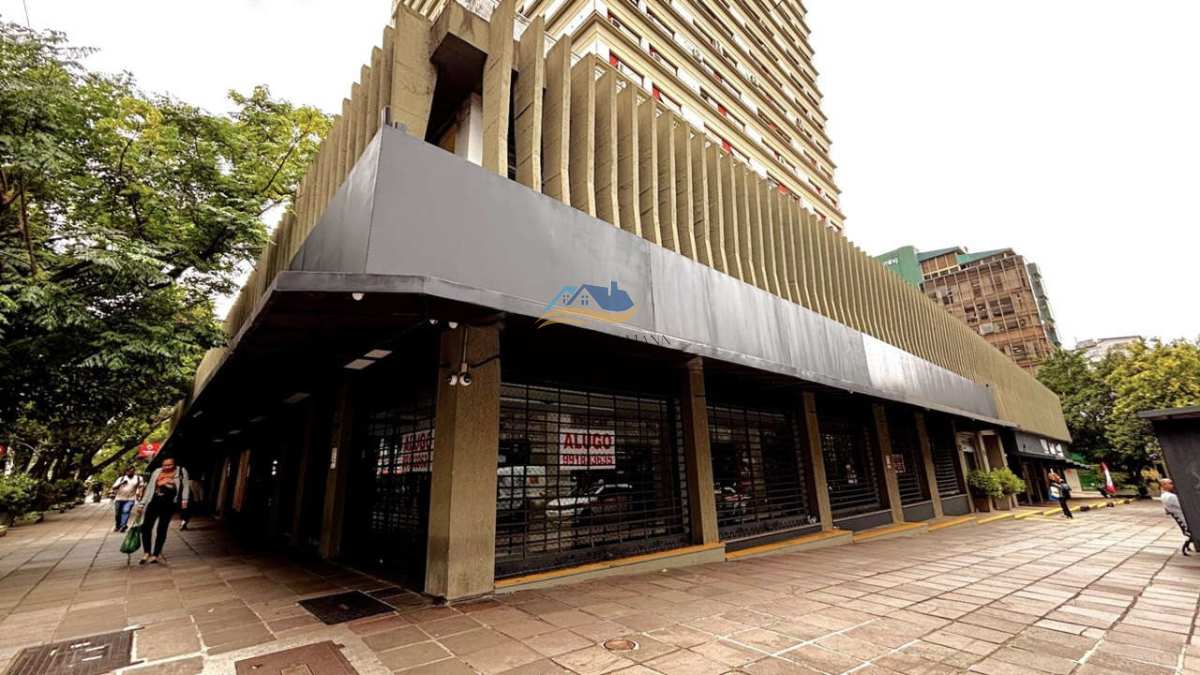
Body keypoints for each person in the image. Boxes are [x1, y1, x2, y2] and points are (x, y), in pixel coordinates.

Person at [135, 457, 189, 564]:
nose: (167, 467)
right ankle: (146, 552)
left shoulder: (181, 471)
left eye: (170, 465)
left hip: (169, 504)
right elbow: (150, 488)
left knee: (162, 529)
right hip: (154, 503)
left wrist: (184, 500)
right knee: (146, 527)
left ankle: (156, 554)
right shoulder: (157, 471)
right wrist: (142, 504)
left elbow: (186, 486)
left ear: (174, 464)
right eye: (165, 465)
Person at [1160, 478, 1194, 556]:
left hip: (1186, 521)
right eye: (1170, 483)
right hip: (1188, 523)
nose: (1173, 485)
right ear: (1164, 485)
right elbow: (1185, 506)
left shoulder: (1165, 496)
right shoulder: (1171, 497)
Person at [110, 467, 144, 532]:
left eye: (132, 471)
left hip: (130, 498)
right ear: (126, 472)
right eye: (128, 471)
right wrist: (121, 483)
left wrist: (140, 496)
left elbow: (141, 487)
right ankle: (117, 526)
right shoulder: (121, 478)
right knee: (117, 513)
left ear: (134, 472)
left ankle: (123, 526)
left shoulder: (138, 478)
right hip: (119, 498)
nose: (130, 473)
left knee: (126, 511)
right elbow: (114, 487)